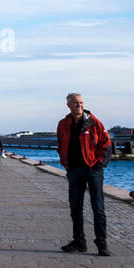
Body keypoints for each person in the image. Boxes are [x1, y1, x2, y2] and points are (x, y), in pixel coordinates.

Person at [56, 93, 112, 256]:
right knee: (75, 207)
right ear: (68, 105)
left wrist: (99, 164)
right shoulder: (63, 124)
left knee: (98, 208)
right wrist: (65, 164)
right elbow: (60, 145)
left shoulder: (94, 122)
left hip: (93, 170)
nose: (78, 105)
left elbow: (106, 145)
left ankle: (102, 243)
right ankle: (79, 241)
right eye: (75, 103)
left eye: (80, 103)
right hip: (74, 170)